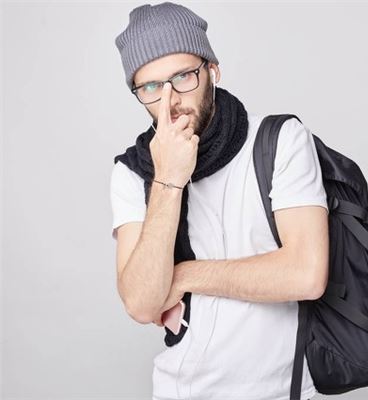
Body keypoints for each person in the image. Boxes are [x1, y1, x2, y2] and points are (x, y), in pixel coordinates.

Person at [110, 2, 327, 400]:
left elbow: (306, 274)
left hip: (285, 391)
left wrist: (185, 275)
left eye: (183, 76)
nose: (170, 101)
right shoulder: (134, 172)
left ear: (212, 70)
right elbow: (142, 304)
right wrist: (168, 179)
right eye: (151, 87)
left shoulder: (280, 141)